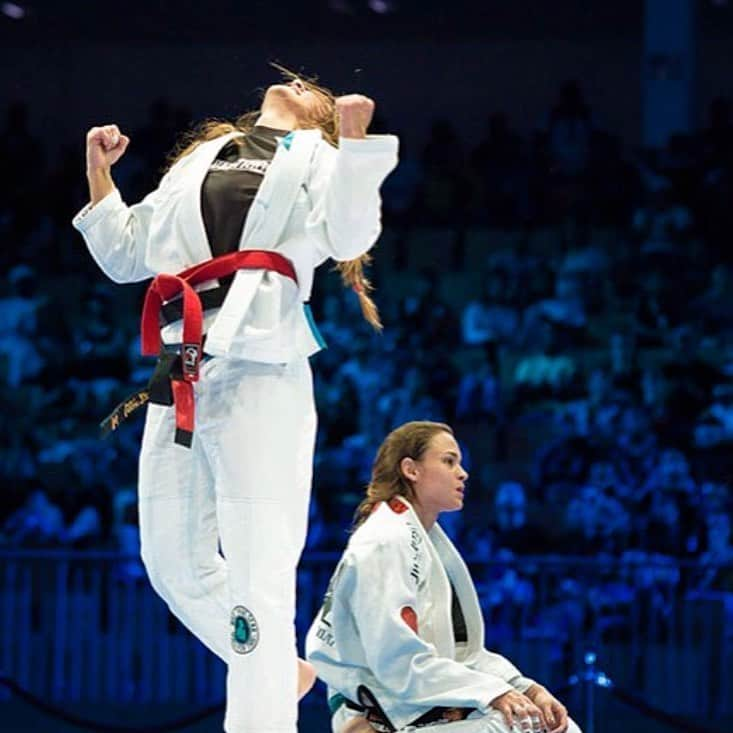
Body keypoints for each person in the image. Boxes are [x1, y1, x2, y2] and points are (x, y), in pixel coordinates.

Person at [72, 69, 398, 733]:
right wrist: (98, 171)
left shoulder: (319, 158)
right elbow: (125, 251)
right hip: (182, 366)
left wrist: (358, 146)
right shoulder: (203, 158)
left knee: (259, 576)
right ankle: (285, 671)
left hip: (260, 365)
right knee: (171, 562)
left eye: (319, 93)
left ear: (322, 122)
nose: (304, 83)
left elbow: (348, 235)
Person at [306, 421, 579, 733]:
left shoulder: (421, 539)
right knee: (520, 726)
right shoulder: (384, 541)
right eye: (449, 461)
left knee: (554, 724)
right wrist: (494, 693)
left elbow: (464, 654)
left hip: (412, 709)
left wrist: (527, 689)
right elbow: (400, 664)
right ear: (411, 469)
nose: (462, 473)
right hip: (379, 718)